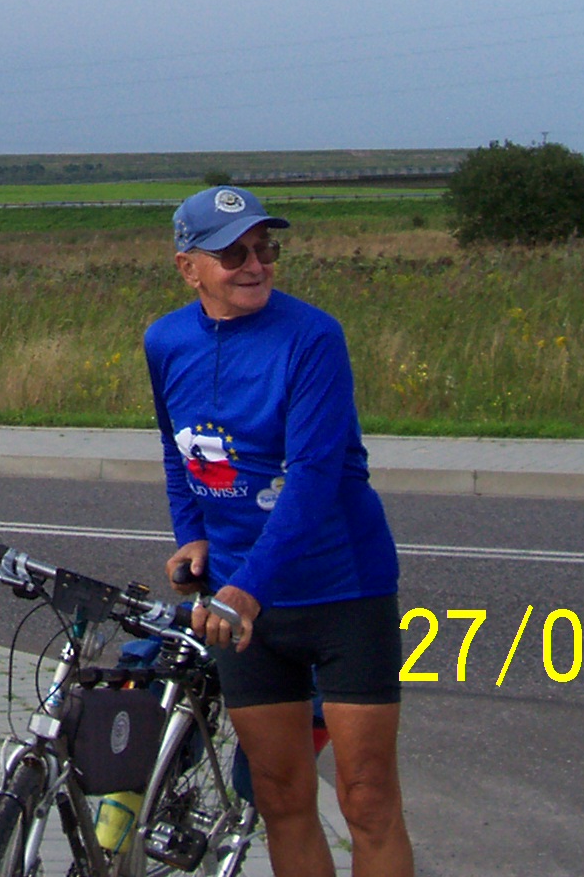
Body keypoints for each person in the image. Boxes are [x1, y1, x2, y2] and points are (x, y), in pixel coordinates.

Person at [145, 185, 415, 877]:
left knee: (367, 798)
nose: (256, 265)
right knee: (280, 796)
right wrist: (192, 532)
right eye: (234, 254)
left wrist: (246, 591)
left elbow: (316, 476)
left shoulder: (312, 336)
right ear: (188, 267)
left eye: (265, 249)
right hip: (242, 604)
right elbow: (180, 448)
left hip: (341, 590)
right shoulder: (166, 341)